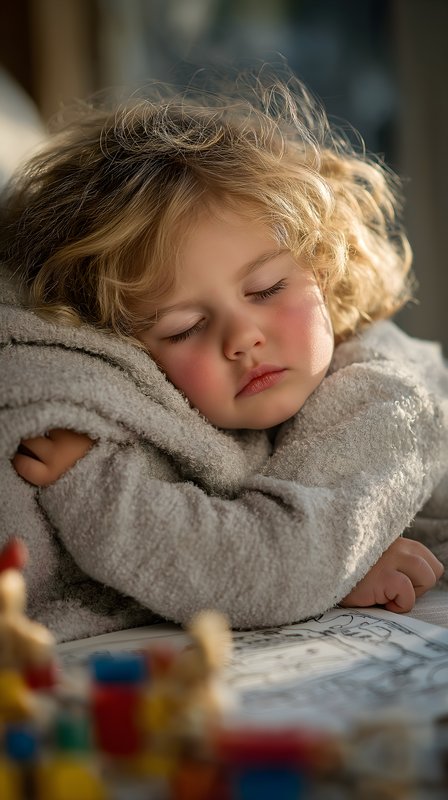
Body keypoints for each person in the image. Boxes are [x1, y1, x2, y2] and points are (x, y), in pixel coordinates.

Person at [1, 69, 447, 642]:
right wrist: (338, 565)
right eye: (185, 328)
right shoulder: (206, 417)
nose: (241, 338)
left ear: (326, 268)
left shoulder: (386, 398)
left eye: (265, 291)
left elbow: (281, 564)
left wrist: (91, 480)